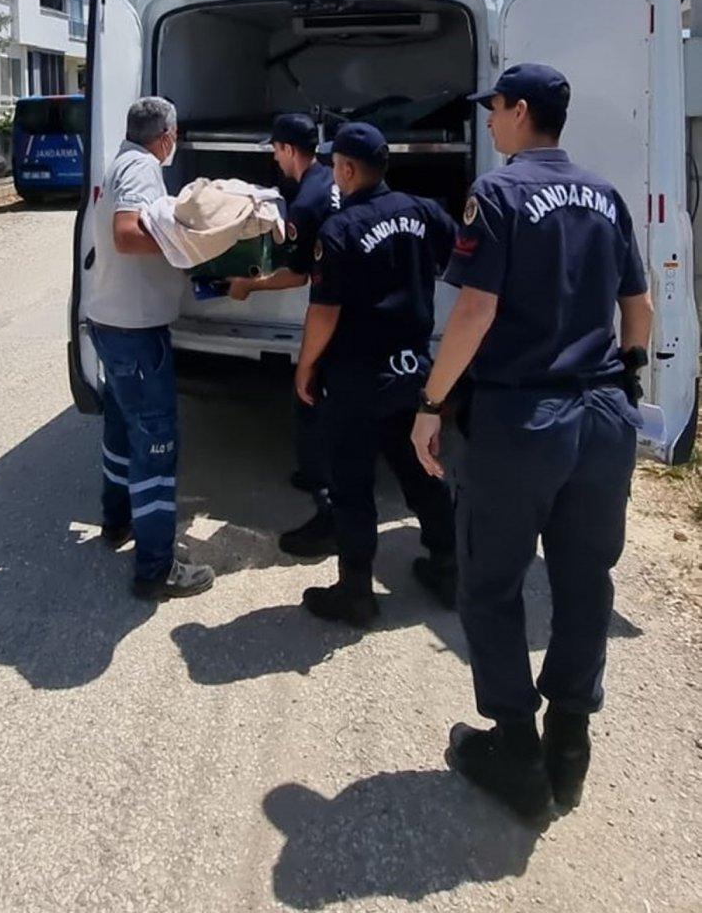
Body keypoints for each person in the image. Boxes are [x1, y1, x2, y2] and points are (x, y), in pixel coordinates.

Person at [411, 64, 653, 819]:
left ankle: (514, 748)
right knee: (585, 579)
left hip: (522, 420)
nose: (487, 122)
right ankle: (569, 743)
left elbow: (475, 312)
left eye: (494, 110)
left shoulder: (499, 192)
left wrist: (431, 402)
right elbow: (637, 306)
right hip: (602, 415)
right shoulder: (605, 194)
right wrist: (628, 380)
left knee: (490, 582)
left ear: (520, 112)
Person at [295, 121, 458, 628]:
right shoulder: (424, 210)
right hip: (414, 372)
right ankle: (450, 569)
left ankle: (357, 592)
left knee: (352, 484)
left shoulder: (339, 230)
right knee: (420, 471)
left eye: (333, 165)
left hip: (356, 378)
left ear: (346, 168)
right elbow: (459, 260)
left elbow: (324, 312)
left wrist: (305, 367)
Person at [86, 96, 215, 601]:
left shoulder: (118, 162)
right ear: (167, 136)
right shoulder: (141, 168)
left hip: (110, 323)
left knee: (121, 432)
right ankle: (155, 569)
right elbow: (125, 234)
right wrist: (188, 247)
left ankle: (116, 521)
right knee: (156, 446)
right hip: (136, 334)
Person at [228, 112, 340, 557]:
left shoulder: (308, 202)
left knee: (311, 394)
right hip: (363, 303)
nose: (273, 158)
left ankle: (324, 493)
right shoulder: (329, 177)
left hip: (336, 308)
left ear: (289, 150)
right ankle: (318, 476)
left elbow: (297, 275)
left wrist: (249, 285)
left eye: (275, 149)